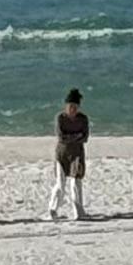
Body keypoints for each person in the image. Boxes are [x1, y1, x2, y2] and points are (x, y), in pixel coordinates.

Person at [48, 88, 90, 222]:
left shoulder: (83, 119)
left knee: (76, 182)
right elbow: (61, 137)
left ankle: (78, 211)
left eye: (75, 107)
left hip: (77, 154)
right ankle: (52, 209)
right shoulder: (60, 118)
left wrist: (73, 137)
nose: (73, 109)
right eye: (70, 106)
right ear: (66, 106)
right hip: (62, 154)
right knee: (60, 183)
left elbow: (85, 137)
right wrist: (75, 136)